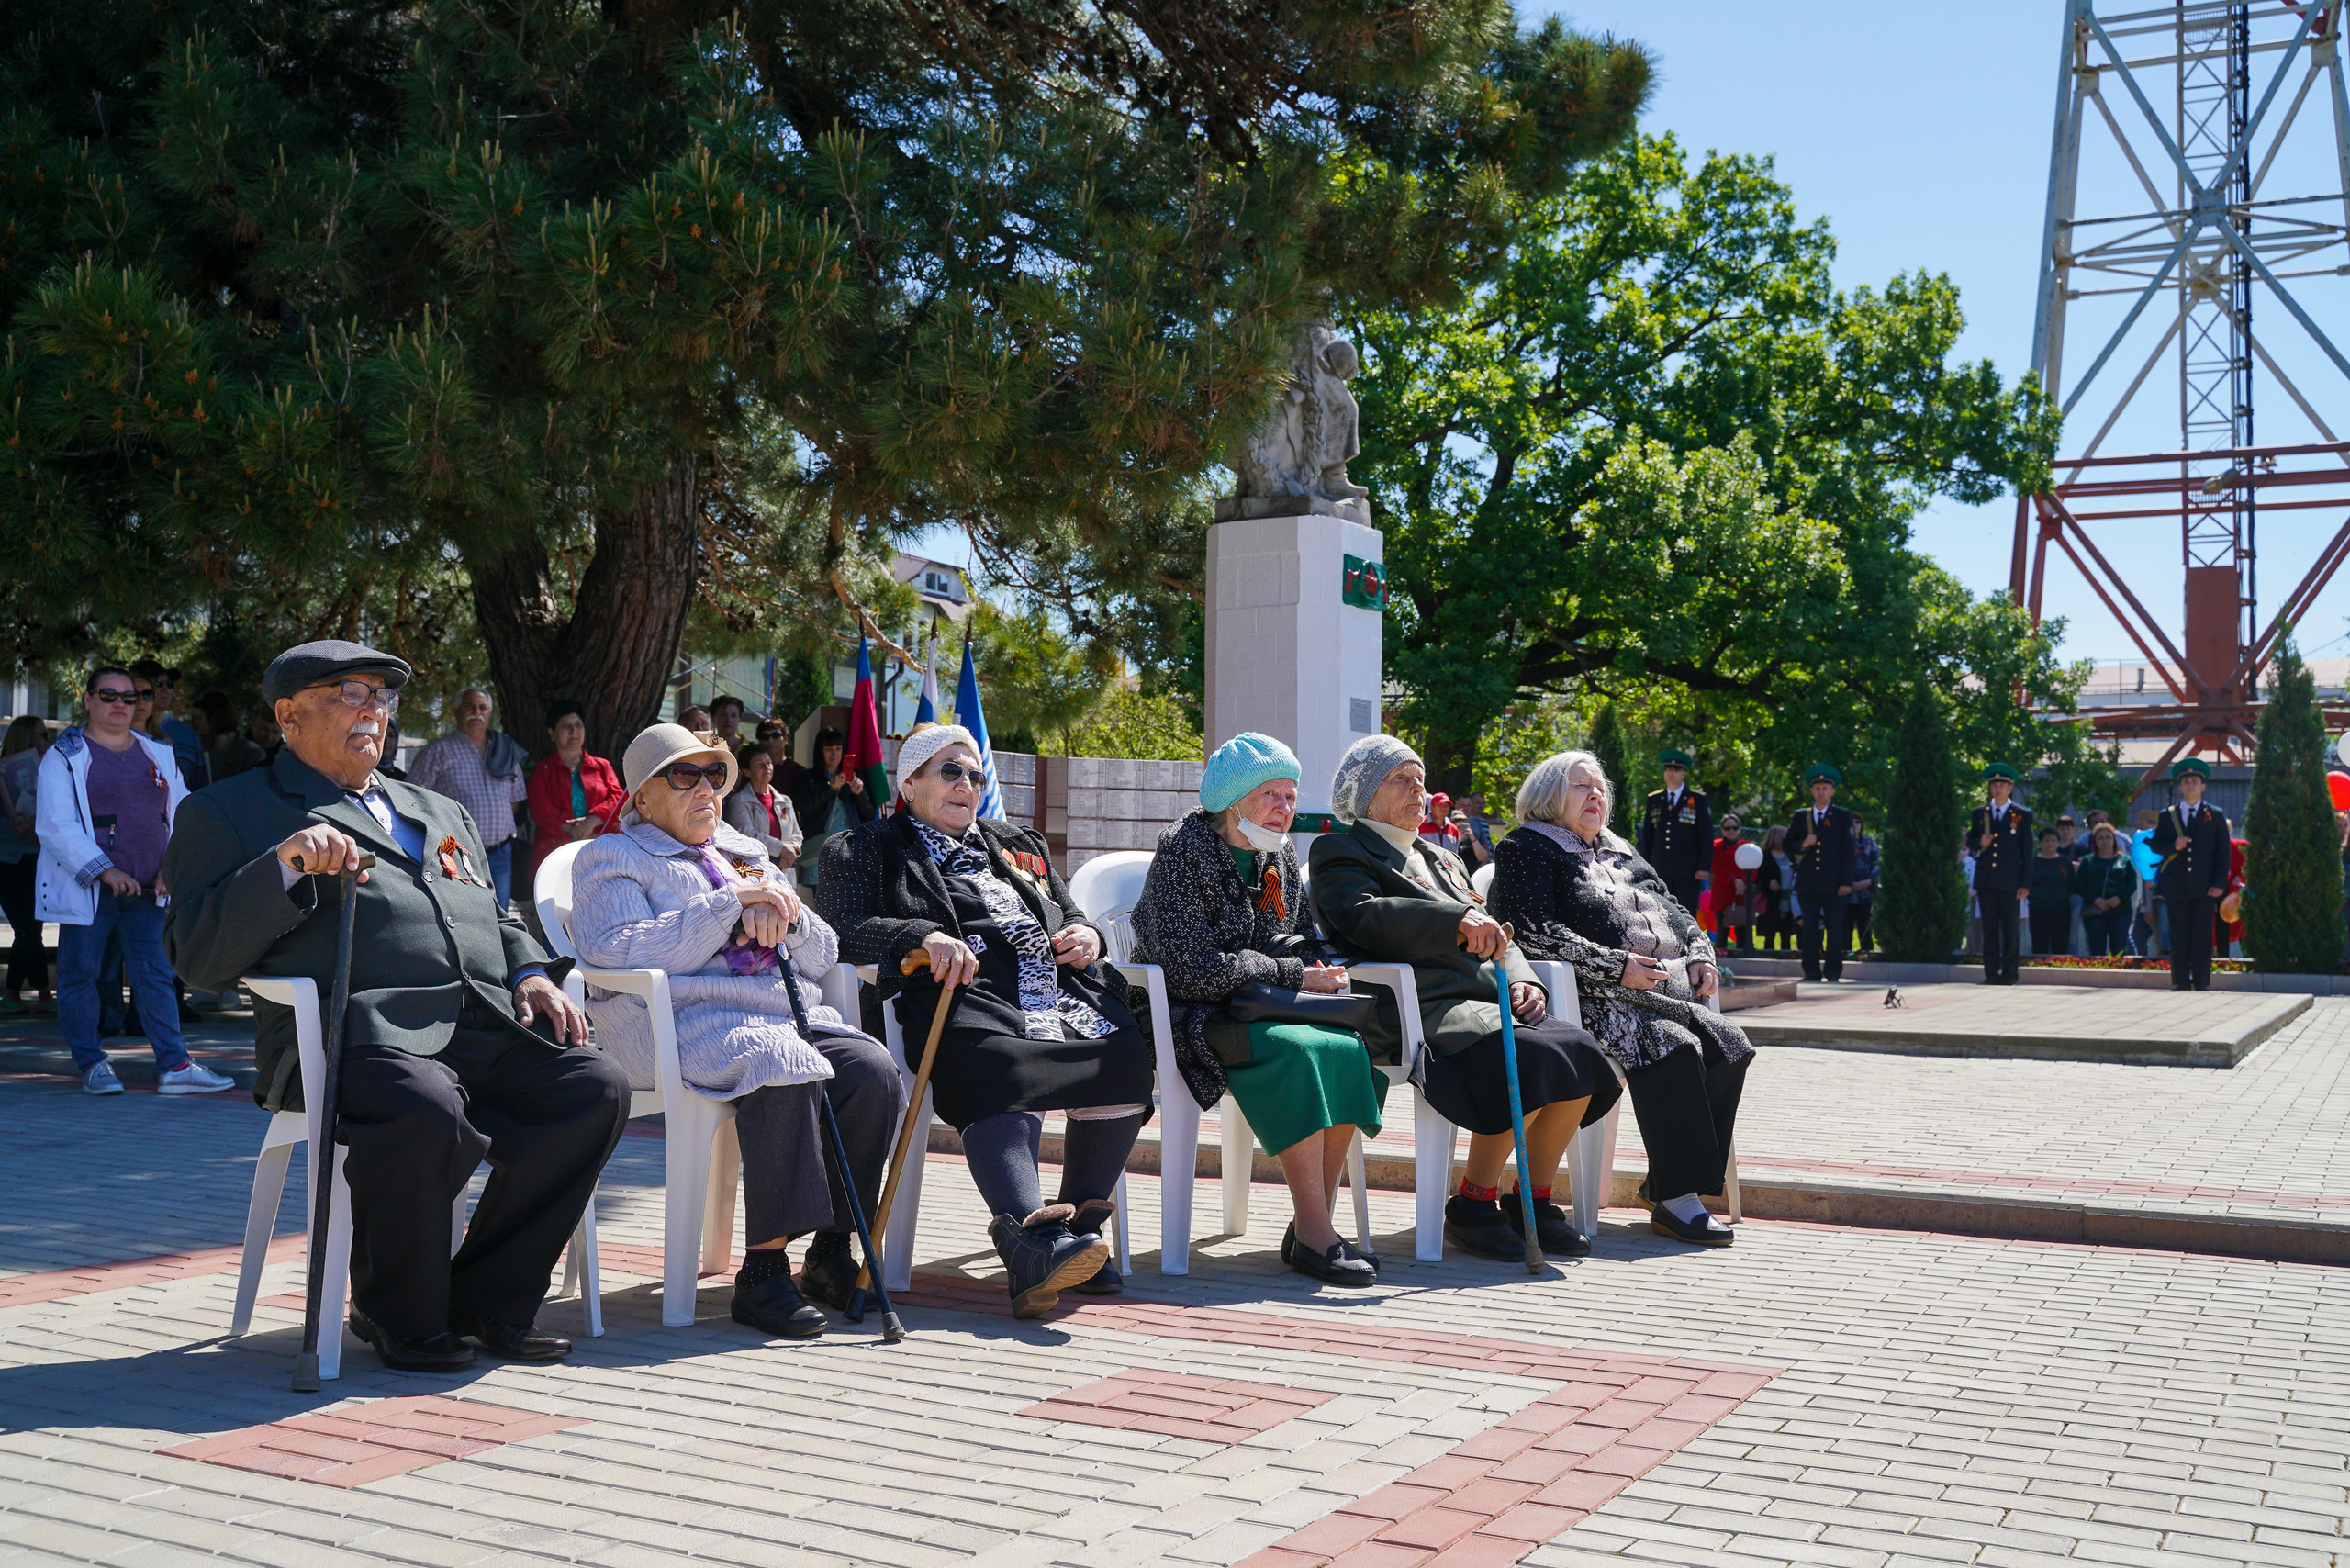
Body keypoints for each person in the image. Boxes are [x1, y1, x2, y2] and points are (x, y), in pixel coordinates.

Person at [162, 639, 627, 1372]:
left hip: (478, 1022)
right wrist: (284, 866)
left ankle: (485, 1299)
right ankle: (396, 1312)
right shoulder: (229, 810)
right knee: (423, 1106)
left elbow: (496, 915)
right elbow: (194, 955)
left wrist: (531, 971)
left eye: (383, 697)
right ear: (288, 715)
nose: (374, 710)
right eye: (350, 693)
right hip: (350, 1036)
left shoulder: (433, 805)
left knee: (592, 1088)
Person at [569, 723, 903, 1338]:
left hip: (780, 1010)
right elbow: (615, 950)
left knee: (873, 1072)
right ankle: (763, 1272)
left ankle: (830, 1251)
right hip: (677, 1019)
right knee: (781, 1061)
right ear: (642, 796)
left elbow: (822, 956)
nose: (706, 788)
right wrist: (730, 904)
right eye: (684, 774)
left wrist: (786, 910)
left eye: (715, 774)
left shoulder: (743, 850)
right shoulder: (612, 856)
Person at [814, 723, 1150, 1317]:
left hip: (1052, 999)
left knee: (1122, 1053)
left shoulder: (1018, 842)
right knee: (996, 1063)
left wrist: (1088, 935)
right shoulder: (869, 847)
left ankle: (1075, 1231)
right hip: (960, 1001)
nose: (966, 784)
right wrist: (920, 935)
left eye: (974, 774)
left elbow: (1070, 911)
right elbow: (838, 931)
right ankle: (1029, 1238)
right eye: (949, 771)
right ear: (910, 783)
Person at [1307, 734, 1619, 1260]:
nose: (1418, 791)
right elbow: (1362, 916)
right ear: (1363, 795)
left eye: (1421, 781)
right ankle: (1474, 1205)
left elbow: (1497, 929)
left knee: (1581, 1053)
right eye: (1401, 780)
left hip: (1485, 998)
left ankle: (1532, 1202)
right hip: (1418, 1005)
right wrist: (1455, 920)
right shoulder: (1341, 850)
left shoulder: (1440, 856)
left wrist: (1523, 977)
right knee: (1528, 1057)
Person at [1129, 734, 1390, 1286]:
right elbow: (1190, 969)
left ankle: (1309, 1227)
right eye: (1271, 794)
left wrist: (1325, 967)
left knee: (1347, 1047)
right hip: (1188, 1014)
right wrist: (1296, 975)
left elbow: (1295, 936)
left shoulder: (1276, 852)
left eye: (1291, 796)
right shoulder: (1184, 851)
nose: (1284, 809)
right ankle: (1317, 1239)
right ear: (1232, 800)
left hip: (1260, 1006)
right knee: (1300, 1051)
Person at [1489, 749, 1749, 1248]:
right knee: (1672, 1046)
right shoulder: (1527, 848)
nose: (1595, 795)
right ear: (1548, 796)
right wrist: (1617, 966)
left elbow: (1673, 908)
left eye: (1600, 788)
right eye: (1581, 786)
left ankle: (1672, 1184)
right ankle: (1678, 1200)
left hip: (1659, 990)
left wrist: (1699, 952)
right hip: (1588, 995)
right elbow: (1532, 930)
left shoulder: (1620, 848)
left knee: (1731, 1044)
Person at [35, 668, 227, 1097]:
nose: (122, 704)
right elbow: (55, 825)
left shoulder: (157, 752)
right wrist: (104, 869)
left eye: (132, 696)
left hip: (148, 890)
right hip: (90, 890)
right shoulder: (64, 755)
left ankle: (175, 1066)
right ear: (87, 700)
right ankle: (91, 1063)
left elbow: (183, 815)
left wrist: (170, 868)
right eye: (109, 696)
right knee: (80, 976)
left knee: (156, 975)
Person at [406, 688, 531, 912]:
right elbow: (414, 800)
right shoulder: (438, 751)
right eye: (469, 706)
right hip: (455, 853)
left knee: (499, 918)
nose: (476, 712)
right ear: (456, 711)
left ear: (490, 714)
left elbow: (515, 802)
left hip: (500, 854)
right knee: (463, 916)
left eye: (482, 707)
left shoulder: (505, 751)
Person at [525, 700, 626, 889]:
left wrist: (592, 821)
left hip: (599, 852)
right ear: (552, 733)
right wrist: (575, 829)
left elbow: (617, 798)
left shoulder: (601, 766)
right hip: (555, 854)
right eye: (566, 726)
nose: (574, 731)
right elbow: (541, 810)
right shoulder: (542, 771)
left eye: (578, 725)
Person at [2151, 756, 2231, 991]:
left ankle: (2202, 981)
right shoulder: (2168, 816)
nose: (2191, 786)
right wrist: (2172, 845)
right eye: (2186, 782)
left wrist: (2219, 883)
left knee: (2202, 937)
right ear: (2180, 786)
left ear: (2203, 786)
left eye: (2195, 781)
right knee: (2178, 936)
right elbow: (2155, 845)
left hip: (2205, 886)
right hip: (2177, 885)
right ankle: (2180, 981)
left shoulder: (2214, 816)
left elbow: (2222, 852)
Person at [0, 716, 51, 1014]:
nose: (47, 739)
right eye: (43, 735)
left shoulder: (48, 769)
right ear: (26, 737)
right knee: (27, 930)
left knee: (30, 930)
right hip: (10, 860)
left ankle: (29, 994)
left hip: (37, 859)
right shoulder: (7, 771)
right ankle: (35, 993)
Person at [1785, 765, 1854, 982]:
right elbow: (1787, 844)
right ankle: (1811, 972)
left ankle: (1833, 972)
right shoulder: (1801, 816)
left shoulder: (1842, 816)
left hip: (1834, 883)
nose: (1821, 792)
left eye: (1825, 788)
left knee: (1835, 928)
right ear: (1812, 791)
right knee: (1810, 930)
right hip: (1808, 882)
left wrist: (1846, 882)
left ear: (1832, 791)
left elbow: (1848, 851)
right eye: (1817, 788)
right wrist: (1802, 843)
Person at [1969, 763, 2033, 985]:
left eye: (2002, 785)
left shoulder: (2021, 815)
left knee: (2010, 930)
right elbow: (1970, 840)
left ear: (2010, 789)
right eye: (1994, 785)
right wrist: (1979, 842)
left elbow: (2027, 852)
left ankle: (2009, 973)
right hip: (1987, 880)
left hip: (2010, 881)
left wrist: (2024, 883)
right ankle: (1990, 973)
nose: (1998, 789)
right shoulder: (1980, 813)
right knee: (1989, 929)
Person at [790, 726, 877, 886]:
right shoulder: (808, 778)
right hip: (819, 851)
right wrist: (829, 787)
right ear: (820, 751)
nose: (834, 754)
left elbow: (870, 814)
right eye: (829, 749)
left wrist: (859, 794)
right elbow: (804, 811)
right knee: (821, 906)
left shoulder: (855, 776)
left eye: (838, 749)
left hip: (850, 849)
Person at [1637, 749, 1713, 917]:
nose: (1671, 773)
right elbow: (1648, 836)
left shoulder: (1697, 799)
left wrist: (1703, 867)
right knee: (1661, 912)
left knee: (1686, 912)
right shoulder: (1655, 799)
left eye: (1676, 770)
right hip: (1660, 866)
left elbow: (1706, 836)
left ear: (1683, 773)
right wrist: (1645, 865)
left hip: (1688, 868)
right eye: (1667, 769)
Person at [131, 660, 208, 790]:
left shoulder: (186, 733)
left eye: (170, 684)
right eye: (158, 683)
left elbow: (202, 787)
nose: (166, 689)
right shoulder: (116, 737)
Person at [726, 747, 804, 870]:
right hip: (756, 871)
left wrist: (790, 851)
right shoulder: (739, 801)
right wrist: (780, 849)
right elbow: (745, 834)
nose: (766, 767)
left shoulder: (785, 801)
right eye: (759, 765)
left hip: (786, 870)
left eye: (769, 763)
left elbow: (796, 833)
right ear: (747, 771)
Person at [2078, 822, 2137, 958]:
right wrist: (2096, 900)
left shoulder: (2125, 860)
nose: (2105, 841)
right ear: (2094, 841)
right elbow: (2080, 885)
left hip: (2120, 910)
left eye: (2108, 837)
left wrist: (2118, 898)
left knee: (2119, 950)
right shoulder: (2088, 861)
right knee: (2096, 950)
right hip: (2095, 911)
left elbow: (2132, 884)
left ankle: (2118, 977)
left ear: (2114, 840)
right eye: (2100, 838)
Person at [1708, 814, 1751, 953]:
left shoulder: (1748, 846)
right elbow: (1716, 868)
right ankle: (1720, 959)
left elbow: (1754, 868)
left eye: (1734, 827)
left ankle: (1743, 957)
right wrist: (1734, 881)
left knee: (1742, 928)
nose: (1731, 830)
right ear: (1722, 829)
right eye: (1727, 828)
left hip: (1742, 893)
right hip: (1722, 893)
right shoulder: (1715, 845)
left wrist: (1743, 882)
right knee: (1722, 928)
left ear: (1739, 829)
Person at [2028, 827, 2072, 957]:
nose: (2050, 843)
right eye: (2047, 840)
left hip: (2061, 910)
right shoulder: (2033, 862)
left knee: (2061, 946)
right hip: (2038, 909)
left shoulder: (2065, 862)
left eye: (2053, 840)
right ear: (2040, 843)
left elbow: (2072, 883)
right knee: (2039, 946)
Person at [1755, 825, 1796, 952]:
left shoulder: (1789, 854)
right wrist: (1769, 883)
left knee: (1786, 933)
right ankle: (1768, 956)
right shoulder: (1764, 855)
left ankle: (1786, 957)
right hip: (1771, 901)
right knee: (1770, 932)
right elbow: (1758, 877)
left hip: (1789, 900)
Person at [1847, 811, 1880, 956]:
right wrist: (1849, 884)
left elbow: (1877, 864)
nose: (1855, 825)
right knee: (1843, 931)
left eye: (1858, 822)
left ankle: (1868, 958)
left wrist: (1868, 882)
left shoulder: (1869, 843)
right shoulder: (1839, 843)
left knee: (1865, 930)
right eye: (1852, 821)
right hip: (1844, 894)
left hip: (1865, 896)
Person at [1460, 792, 1498, 870]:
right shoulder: (1458, 821)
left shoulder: (1480, 823)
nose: (1481, 806)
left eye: (1483, 803)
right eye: (1478, 803)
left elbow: (1486, 843)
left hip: (1482, 862)